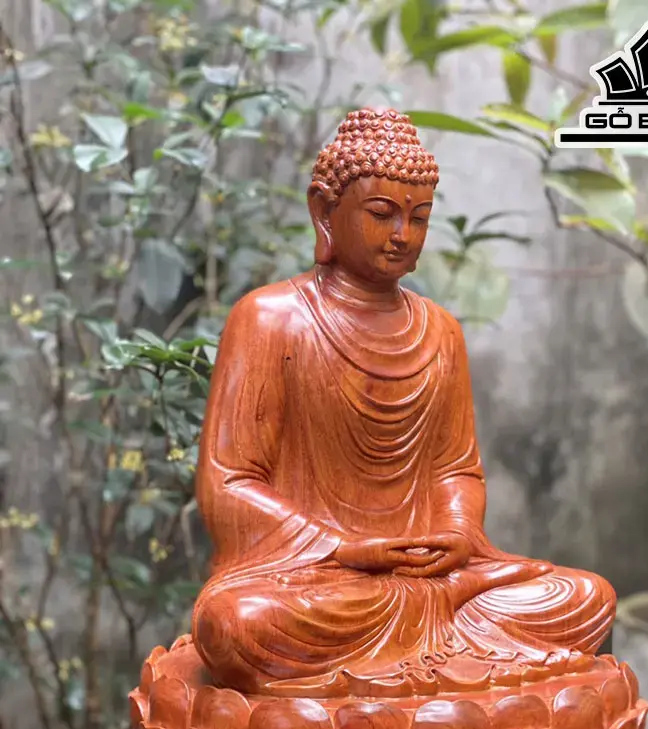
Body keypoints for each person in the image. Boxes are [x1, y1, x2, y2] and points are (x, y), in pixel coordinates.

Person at [191, 108, 615, 696]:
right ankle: (440, 656)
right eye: (381, 213)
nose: (402, 235)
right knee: (236, 625)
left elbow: (455, 469)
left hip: (433, 577)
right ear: (324, 212)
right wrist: (346, 548)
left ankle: (415, 649)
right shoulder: (269, 319)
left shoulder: (439, 331)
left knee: (586, 597)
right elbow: (228, 484)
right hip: (319, 578)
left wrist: (457, 534)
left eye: (419, 219)